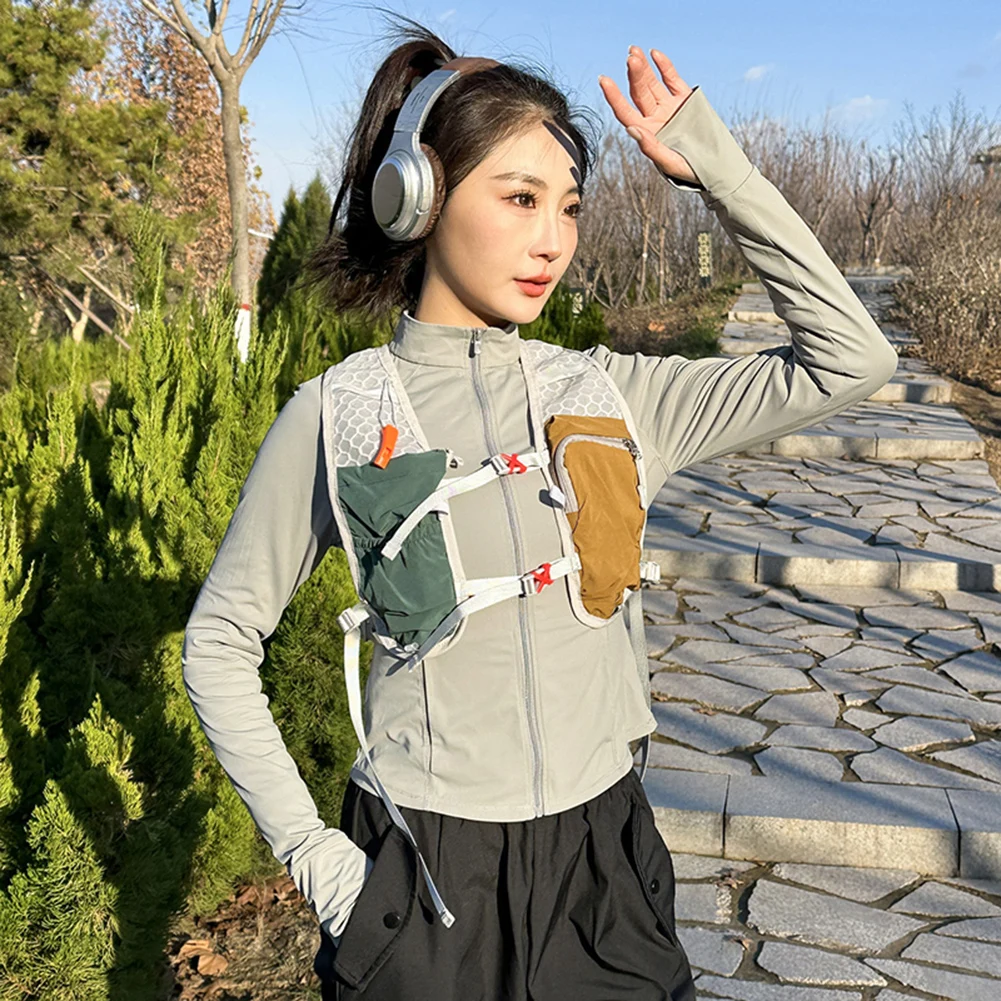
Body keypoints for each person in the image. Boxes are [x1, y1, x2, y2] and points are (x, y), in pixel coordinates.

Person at [180, 19, 898, 1001]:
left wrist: (714, 168)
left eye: (567, 206)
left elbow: (851, 358)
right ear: (416, 197)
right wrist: (324, 864)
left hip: (601, 872)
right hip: (419, 879)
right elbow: (218, 641)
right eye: (519, 198)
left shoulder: (614, 396)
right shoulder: (338, 413)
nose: (551, 239)